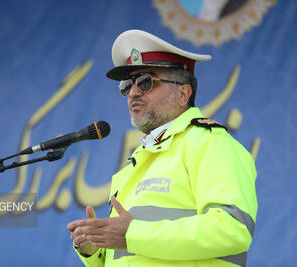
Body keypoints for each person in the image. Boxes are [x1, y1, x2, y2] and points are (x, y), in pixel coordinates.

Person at [67, 29, 257, 267]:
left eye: (146, 82)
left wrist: (132, 234)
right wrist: (95, 250)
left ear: (182, 94)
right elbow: (132, 255)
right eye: (127, 85)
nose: (133, 92)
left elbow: (232, 229)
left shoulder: (211, 143)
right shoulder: (136, 162)